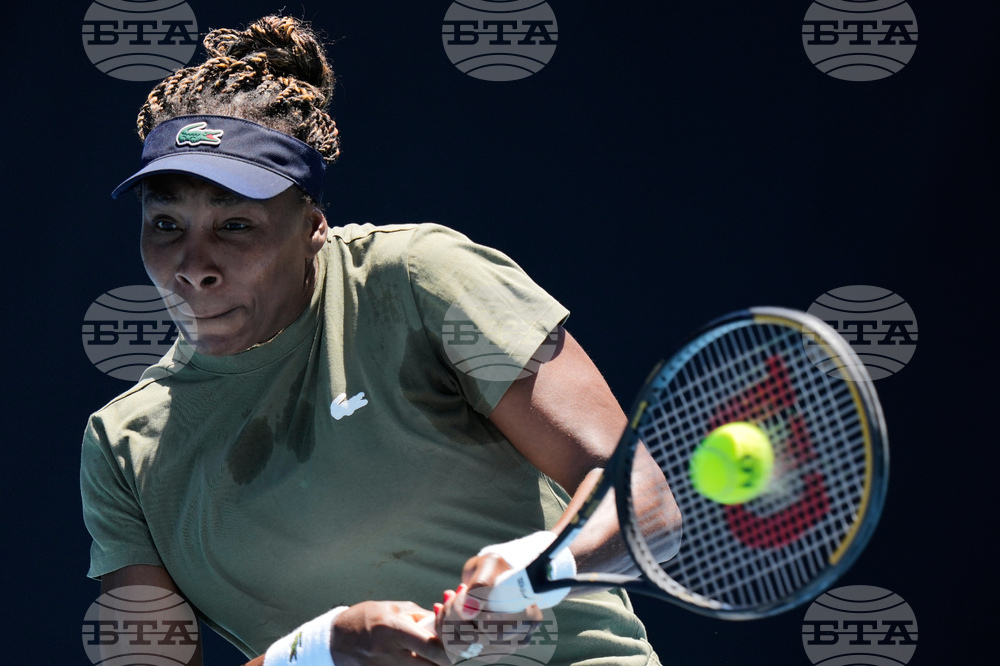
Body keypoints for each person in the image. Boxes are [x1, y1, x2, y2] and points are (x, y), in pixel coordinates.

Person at [80, 15, 681, 666]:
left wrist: (541, 563)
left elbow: (642, 497)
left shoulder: (420, 281)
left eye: (235, 225)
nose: (193, 265)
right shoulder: (122, 448)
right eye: (166, 223)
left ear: (312, 226)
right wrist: (322, 650)